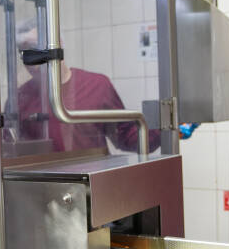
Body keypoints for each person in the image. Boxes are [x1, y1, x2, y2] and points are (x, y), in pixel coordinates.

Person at [12, 19, 155, 154]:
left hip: (93, 171)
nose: (30, 61)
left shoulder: (97, 86)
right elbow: (9, 149)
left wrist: (163, 125)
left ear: (58, 45)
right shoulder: (20, 98)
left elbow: (127, 137)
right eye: (23, 52)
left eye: (34, 49)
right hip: (45, 172)